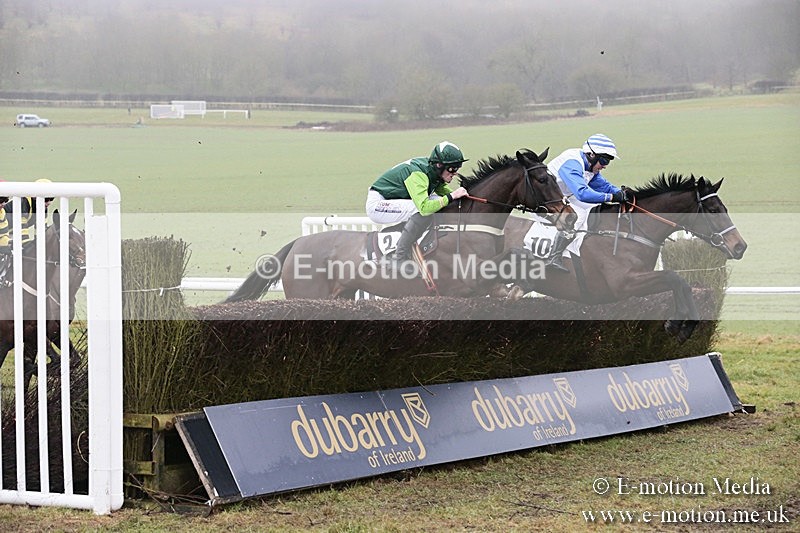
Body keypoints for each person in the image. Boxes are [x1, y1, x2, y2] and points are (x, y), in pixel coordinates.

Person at [366, 141, 470, 264]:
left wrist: (461, 196)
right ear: (439, 165)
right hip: (378, 204)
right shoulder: (419, 174)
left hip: (393, 200)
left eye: (457, 168)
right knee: (421, 208)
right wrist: (452, 196)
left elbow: (444, 194)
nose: (455, 173)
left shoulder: (433, 172)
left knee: (437, 202)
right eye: (452, 169)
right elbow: (424, 208)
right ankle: (399, 258)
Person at [544, 134, 628, 272]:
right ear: (591, 154)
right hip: (547, 200)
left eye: (608, 162)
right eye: (604, 161)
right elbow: (582, 193)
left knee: (597, 208)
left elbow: (604, 186)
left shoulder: (589, 165)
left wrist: (623, 194)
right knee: (579, 214)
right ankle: (554, 257)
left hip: (564, 196)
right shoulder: (572, 162)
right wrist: (612, 197)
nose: (604, 166)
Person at [3, 178, 54, 247]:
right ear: (34, 196)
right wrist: (27, 245)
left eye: (51, 199)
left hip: (10, 232)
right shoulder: (24, 202)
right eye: (46, 199)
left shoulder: (43, 207)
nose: (49, 203)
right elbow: (22, 230)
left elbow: (41, 230)